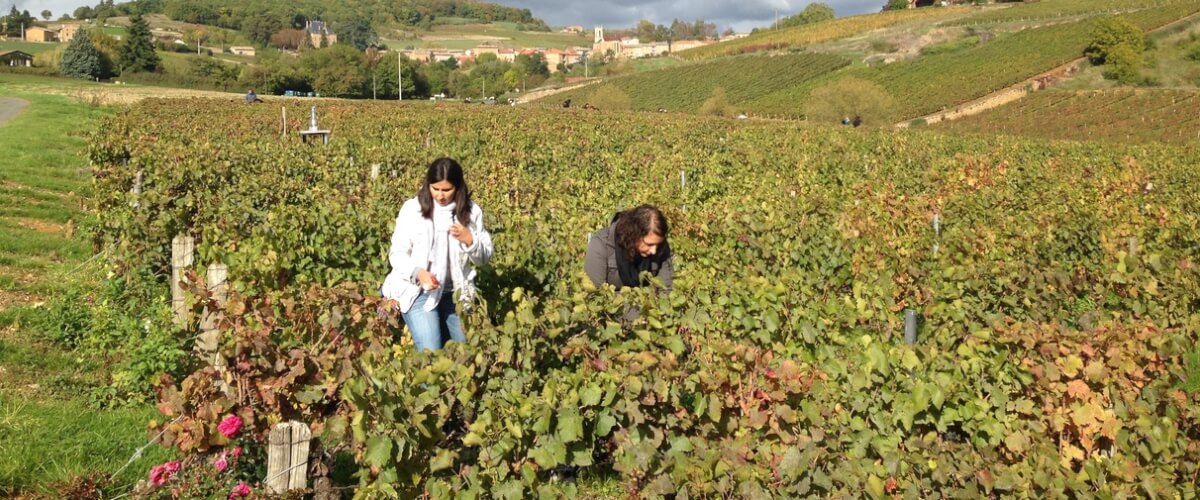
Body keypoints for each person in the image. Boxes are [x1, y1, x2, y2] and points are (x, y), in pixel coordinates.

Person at [381, 157, 493, 351]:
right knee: (430, 350)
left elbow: (483, 258)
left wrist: (470, 240)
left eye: (447, 190)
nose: (440, 196)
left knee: (464, 352)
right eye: (436, 189)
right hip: (417, 291)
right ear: (428, 185)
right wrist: (418, 273)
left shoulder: (471, 213)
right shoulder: (412, 210)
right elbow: (397, 253)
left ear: (458, 187)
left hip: (455, 294)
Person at [585, 205, 673, 291]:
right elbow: (595, 294)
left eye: (657, 244)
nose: (654, 251)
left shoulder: (660, 247)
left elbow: (666, 289)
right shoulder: (601, 244)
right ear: (634, 235)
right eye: (649, 244)